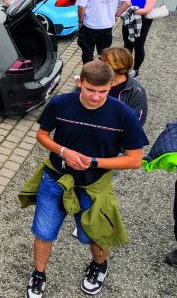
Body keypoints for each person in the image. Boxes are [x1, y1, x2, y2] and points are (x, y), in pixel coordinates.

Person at [20, 61, 147, 298]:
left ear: (111, 86)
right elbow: (42, 135)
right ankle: (38, 274)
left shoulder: (124, 115)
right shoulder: (60, 104)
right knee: (43, 232)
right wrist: (63, 151)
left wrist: (94, 162)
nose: (96, 97)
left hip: (94, 184)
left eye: (103, 91)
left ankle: (99, 266)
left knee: (95, 234)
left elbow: (135, 160)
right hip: (55, 179)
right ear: (80, 82)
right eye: (90, 90)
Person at [77, 0, 131, 64]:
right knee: (104, 54)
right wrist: (117, 14)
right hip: (107, 25)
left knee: (87, 52)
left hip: (90, 25)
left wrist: (80, 21)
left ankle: (88, 72)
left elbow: (81, 7)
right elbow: (127, 3)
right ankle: (103, 71)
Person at [121, 0, 159, 77]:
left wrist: (130, 11)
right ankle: (125, 67)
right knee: (127, 44)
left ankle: (136, 69)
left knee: (138, 45)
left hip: (142, 22)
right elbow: (129, 3)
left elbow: (147, 10)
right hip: (130, 20)